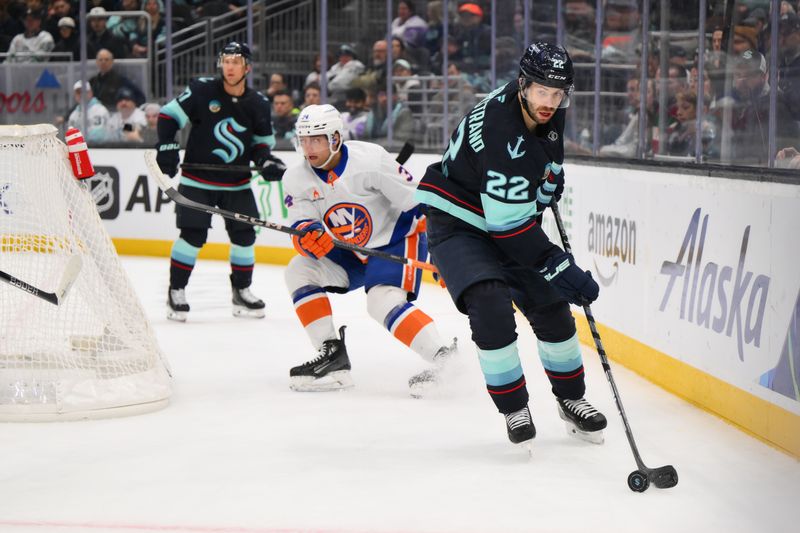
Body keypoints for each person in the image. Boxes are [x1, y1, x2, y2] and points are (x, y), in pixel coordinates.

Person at [415, 42, 607, 447]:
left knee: (551, 306)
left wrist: (549, 177)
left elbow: (544, 154)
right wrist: (560, 266)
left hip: (504, 217)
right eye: (542, 92)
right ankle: (514, 405)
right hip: (459, 222)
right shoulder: (502, 132)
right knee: (490, 301)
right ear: (523, 84)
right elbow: (510, 229)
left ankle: (571, 399)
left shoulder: (543, 102)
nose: (551, 103)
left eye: (559, 94)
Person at [282, 104, 456, 396]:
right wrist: (308, 238)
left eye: (316, 139)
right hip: (349, 251)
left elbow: (421, 204)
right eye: (304, 140)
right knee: (298, 270)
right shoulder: (296, 178)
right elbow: (303, 224)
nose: (308, 147)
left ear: (335, 138)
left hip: (397, 238)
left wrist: (444, 252)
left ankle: (445, 358)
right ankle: (332, 355)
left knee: (381, 302)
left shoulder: (371, 159)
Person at [155, 42, 286, 321]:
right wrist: (167, 147)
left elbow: (261, 144)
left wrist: (265, 162)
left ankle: (242, 291)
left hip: (236, 183)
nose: (229, 66)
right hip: (196, 181)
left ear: (247, 67)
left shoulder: (258, 103)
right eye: (226, 61)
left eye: (236, 61)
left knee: (245, 235)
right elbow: (168, 116)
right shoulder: (203, 90)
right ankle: (176, 291)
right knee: (193, 235)